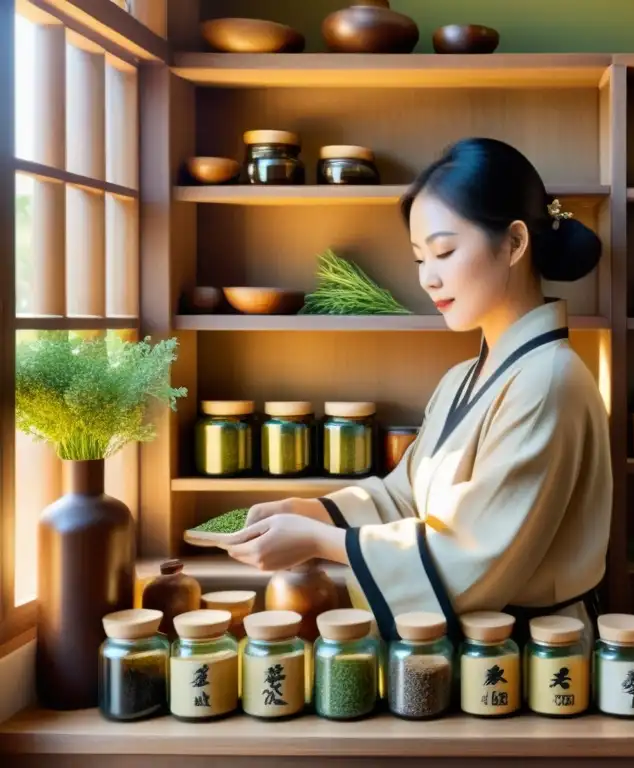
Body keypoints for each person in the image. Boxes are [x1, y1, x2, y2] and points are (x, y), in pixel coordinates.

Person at [220, 138, 612, 645]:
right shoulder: (463, 378)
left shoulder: (550, 381)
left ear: (515, 243)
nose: (429, 278)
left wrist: (321, 541)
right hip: (465, 646)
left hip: (536, 652)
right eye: (419, 259)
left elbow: (475, 554)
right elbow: (403, 495)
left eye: (445, 251)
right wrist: (309, 510)